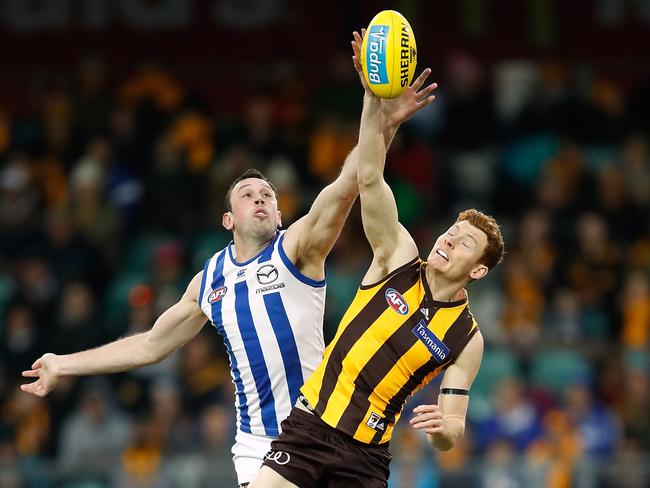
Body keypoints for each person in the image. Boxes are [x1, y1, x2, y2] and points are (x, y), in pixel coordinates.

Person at [20, 38, 432, 488]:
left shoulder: (298, 247)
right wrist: (64, 363)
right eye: (248, 194)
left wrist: (377, 112)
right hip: (258, 445)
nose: (260, 197)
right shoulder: (209, 281)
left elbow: (351, 182)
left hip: (325, 431)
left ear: (279, 214)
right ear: (228, 218)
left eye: (268, 195)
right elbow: (150, 345)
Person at [250, 31, 505, 487]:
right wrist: (373, 99)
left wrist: (444, 432)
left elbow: (454, 425)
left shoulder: (467, 338)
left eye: (464, 243)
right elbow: (369, 177)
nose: (449, 240)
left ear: (479, 270)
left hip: (366, 458)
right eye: (452, 231)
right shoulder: (399, 257)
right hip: (309, 428)